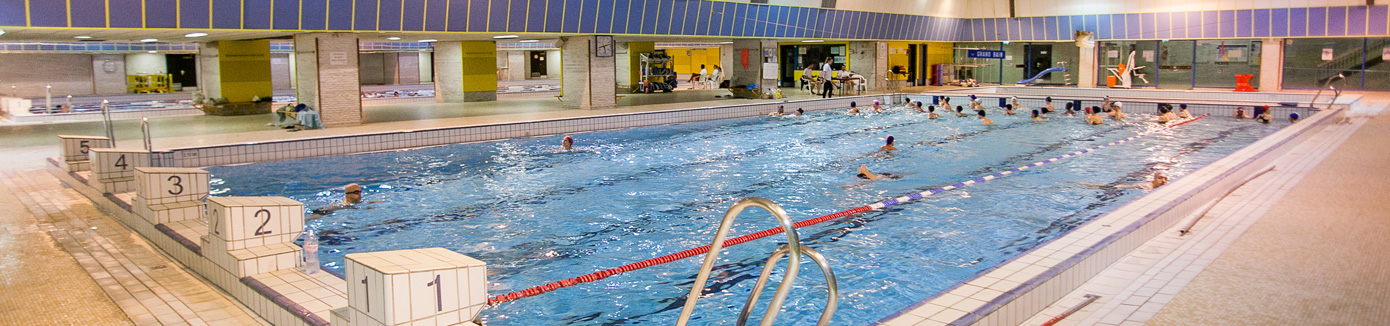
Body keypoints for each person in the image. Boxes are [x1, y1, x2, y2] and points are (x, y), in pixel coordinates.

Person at [1069, 172, 1168, 191]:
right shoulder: (1148, 187)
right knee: (1088, 186)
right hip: (1118, 188)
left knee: (1092, 186)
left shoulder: (1150, 186)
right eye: (1160, 178)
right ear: (1154, 179)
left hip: (1121, 187)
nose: (1163, 181)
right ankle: (1070, 185)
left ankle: (1072, 183)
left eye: (1165, 179)